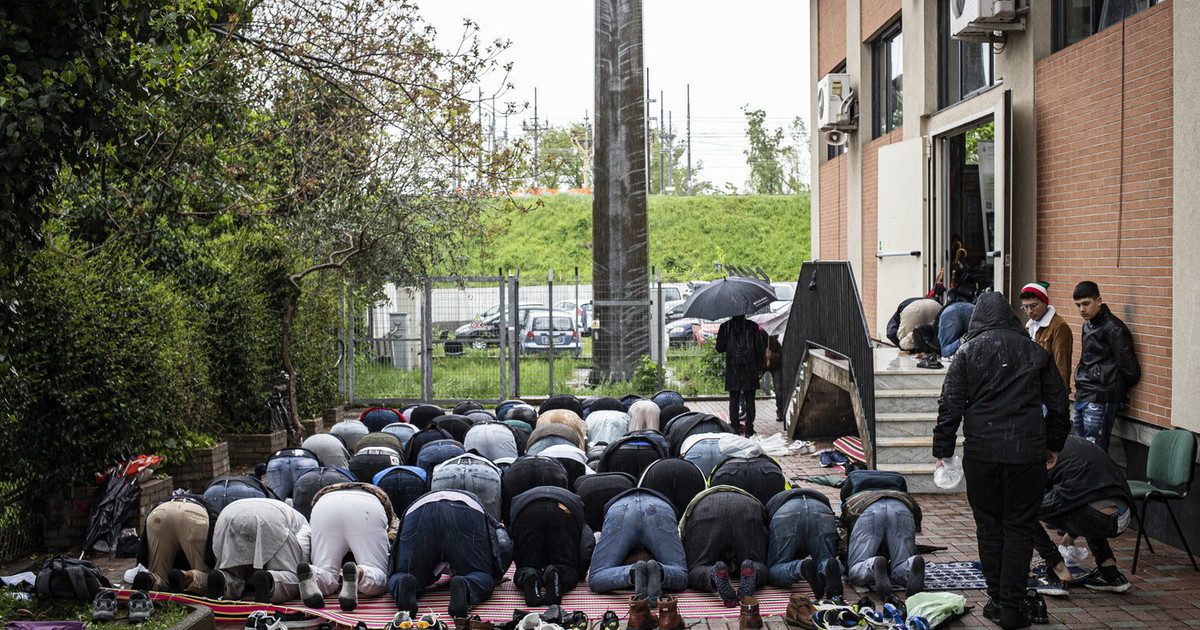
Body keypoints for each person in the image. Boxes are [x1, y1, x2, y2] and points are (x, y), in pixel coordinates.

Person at [934, 291, 1071, 630]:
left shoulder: (967, 352)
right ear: (1010, 317)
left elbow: (950, 406)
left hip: (982, 455)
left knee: (989, 527)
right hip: (1027, 454)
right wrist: (1053, 443)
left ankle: (997, 599)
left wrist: (944, 452)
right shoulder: (1035, 352)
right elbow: (1059, 404)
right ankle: (1012, 604)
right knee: (1020, 527)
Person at [1030, 436, 1134, 597]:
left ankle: (1058, 571)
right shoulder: (1073, 443)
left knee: (1021, 513)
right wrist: (1071, 533)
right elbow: (1083, 490)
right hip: (1123, 517)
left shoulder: (1038, 452)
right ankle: (1110, 572)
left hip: (1098, 516)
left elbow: (1042, 499)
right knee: (1083, 504)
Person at [387, 489, 511, 618]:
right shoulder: (486, 515)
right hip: (467, 510)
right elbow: (503, 542)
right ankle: (467, 585)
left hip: (417, 511)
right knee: (480, 575)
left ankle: (403, 582)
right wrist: (496, 572)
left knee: (402, 574)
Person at [298, 482, 398, 611]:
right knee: (378, 573)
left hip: (324, 506)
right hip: (366, 506)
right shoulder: (385, 507)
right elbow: (394, 532)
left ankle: (312, 572)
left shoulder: (331, 492)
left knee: (326, 570)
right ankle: (359, 573)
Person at [1072, 281, 1141, 451]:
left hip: (1103, 396)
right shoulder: (1087, 325)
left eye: (1086, 303)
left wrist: (1113, 388)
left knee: (1094, 452)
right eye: (1078, 305)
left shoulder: (1114, 328)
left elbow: (1130, 370)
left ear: (1099, 301)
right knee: (1082, 450)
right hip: (1084, 393)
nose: (1082, 309)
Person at [207, 498, 310, 603]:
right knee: (291, 575)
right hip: (272, 518)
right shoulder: (304, 524)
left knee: (231, 569)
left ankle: (223, 580)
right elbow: (303, 552)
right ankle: (269, 580)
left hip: (228, 515)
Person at [841, 487, 925, 601]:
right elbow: (916, 527)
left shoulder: (854, 500)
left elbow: (842, 536)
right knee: (901, 562)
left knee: (855, 571)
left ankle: (872, 565)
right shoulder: (902, 494)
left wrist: (844, 560)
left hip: (867, 511)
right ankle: (911, 564)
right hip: (902, 508)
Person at [131, 492, 220, 595]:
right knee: (205, 574)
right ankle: (184, 576)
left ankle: (148, 579)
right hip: (193, 514)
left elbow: (144, 547)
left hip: (159, 511)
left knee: (160, 576)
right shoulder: (212, 509)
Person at [765, 489, 843, 600]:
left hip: (786, 511)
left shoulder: (773, 501)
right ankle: (828, 567)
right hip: (821, 508)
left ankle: (801, 568)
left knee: (775, 568)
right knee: (826, 558)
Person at [716, 314, 766, 437]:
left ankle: (735, 428)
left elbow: (719, 348)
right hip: (750, 366)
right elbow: (759, 348)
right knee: (750, 399)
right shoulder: (752, 326)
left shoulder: (725, 327)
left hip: (733, 367)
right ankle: (749, 428)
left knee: (734, 399)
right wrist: (760, 367)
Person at [1020, 282, 1073, 394]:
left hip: (1050, 392)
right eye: (1025, 307)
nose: (1029, 311)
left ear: (1045, 303)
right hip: (1033, 389)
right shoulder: (1030, 326)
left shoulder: (1058, 326)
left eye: (1033, 306)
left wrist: (1061, 395)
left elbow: (1062, 364)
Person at [936, 287, 975, 359]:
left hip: (951, 312)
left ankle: (961, 340)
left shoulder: (946, 308)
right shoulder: (971, 304)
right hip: (971, 309)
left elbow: (937, 329)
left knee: (945, 351)